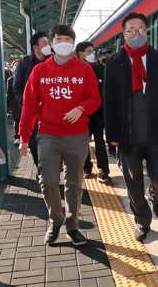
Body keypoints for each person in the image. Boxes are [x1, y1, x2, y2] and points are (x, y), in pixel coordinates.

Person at [103, 12, 158, 242]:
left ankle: (155, 196)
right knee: (133, 181)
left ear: (146, 31)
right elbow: (109, 100)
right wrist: (111, 134)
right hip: (127, 133)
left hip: (157, 128)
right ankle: (142, 221)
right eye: (132, 30)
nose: (136, 33)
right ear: (124, 34)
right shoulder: (114, 62)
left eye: (141, 29)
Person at [19, 24, 101, 246]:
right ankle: (56, 220)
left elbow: (95, 99)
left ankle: (72, 226)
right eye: (58, 39)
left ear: (73, 44)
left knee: (74, 183)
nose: (63, 42)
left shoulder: (85, 70)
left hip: (77, 135)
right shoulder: (40, 71)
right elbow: (29, 105)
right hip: (48, 134)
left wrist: (81, 108)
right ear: (52, 44)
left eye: (68, 38)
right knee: (47, 181)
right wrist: (24, 137)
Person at [13, 32, 51, 166]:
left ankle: (50, 173)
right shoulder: (24, 63)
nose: (48, 45)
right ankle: (42, 171)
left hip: (50, 114)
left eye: (48, 42)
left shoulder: (54, 61)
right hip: (33, 116)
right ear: (35, 47)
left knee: (52, 148)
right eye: (44, 43)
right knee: (35, 148)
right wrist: (26, 104)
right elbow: (17, 87)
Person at [75, 42, 110, 182]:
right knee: (83, 142)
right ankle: (86, 168)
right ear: (81, 54)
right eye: (89, 51)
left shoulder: (97, 69)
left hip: (97, 112)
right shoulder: (75, 70)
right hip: (80, 114)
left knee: (99, 141)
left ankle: (103, 170)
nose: (93, 54)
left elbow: (103, 91)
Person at [98, 49, 117, 158]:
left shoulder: (114, 68)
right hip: (99, 107)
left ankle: (112, 148)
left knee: (112, 126)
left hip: (112, 104)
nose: (107, 56)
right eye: (104, 55)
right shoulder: (96, 69)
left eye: (108, 54)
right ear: (99, 58)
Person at [6, 60, 21, 145]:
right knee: (17, 120)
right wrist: (8, 105)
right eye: (15, 65)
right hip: (15, 104)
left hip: (25, 103)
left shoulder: (27, 77)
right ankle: (17, 137)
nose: (17, 66)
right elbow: (9, 93)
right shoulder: (10, 80)